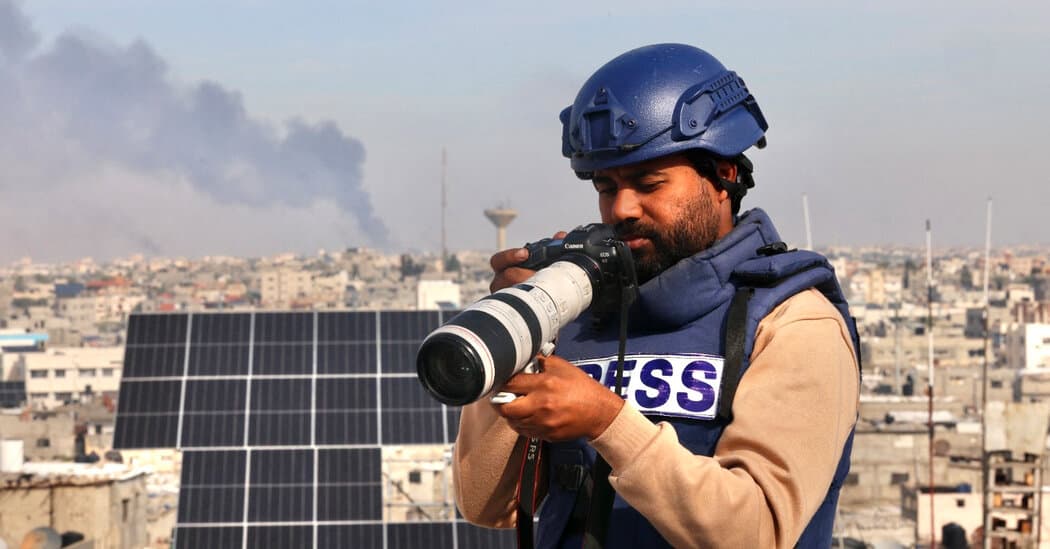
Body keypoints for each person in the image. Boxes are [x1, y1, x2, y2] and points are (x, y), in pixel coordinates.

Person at [452, 43, 860, 549]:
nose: (622, 208)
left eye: (649, 183)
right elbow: (485, 503)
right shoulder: (581, 310)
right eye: (606, 186)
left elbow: (756, 531)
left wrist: (607, 421)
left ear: (724, 175)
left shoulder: (792, 322)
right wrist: (522, 333)